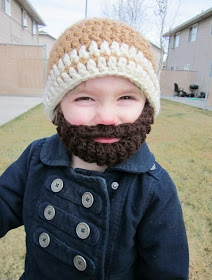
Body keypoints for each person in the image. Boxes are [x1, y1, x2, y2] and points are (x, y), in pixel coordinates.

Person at [0, 18, 189, 280]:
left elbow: (166, 271)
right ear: (58, 106)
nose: (107, 117)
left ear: (146, 103)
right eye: (85, 98)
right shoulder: (37, 158)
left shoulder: (153, 187)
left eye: (126, 97)